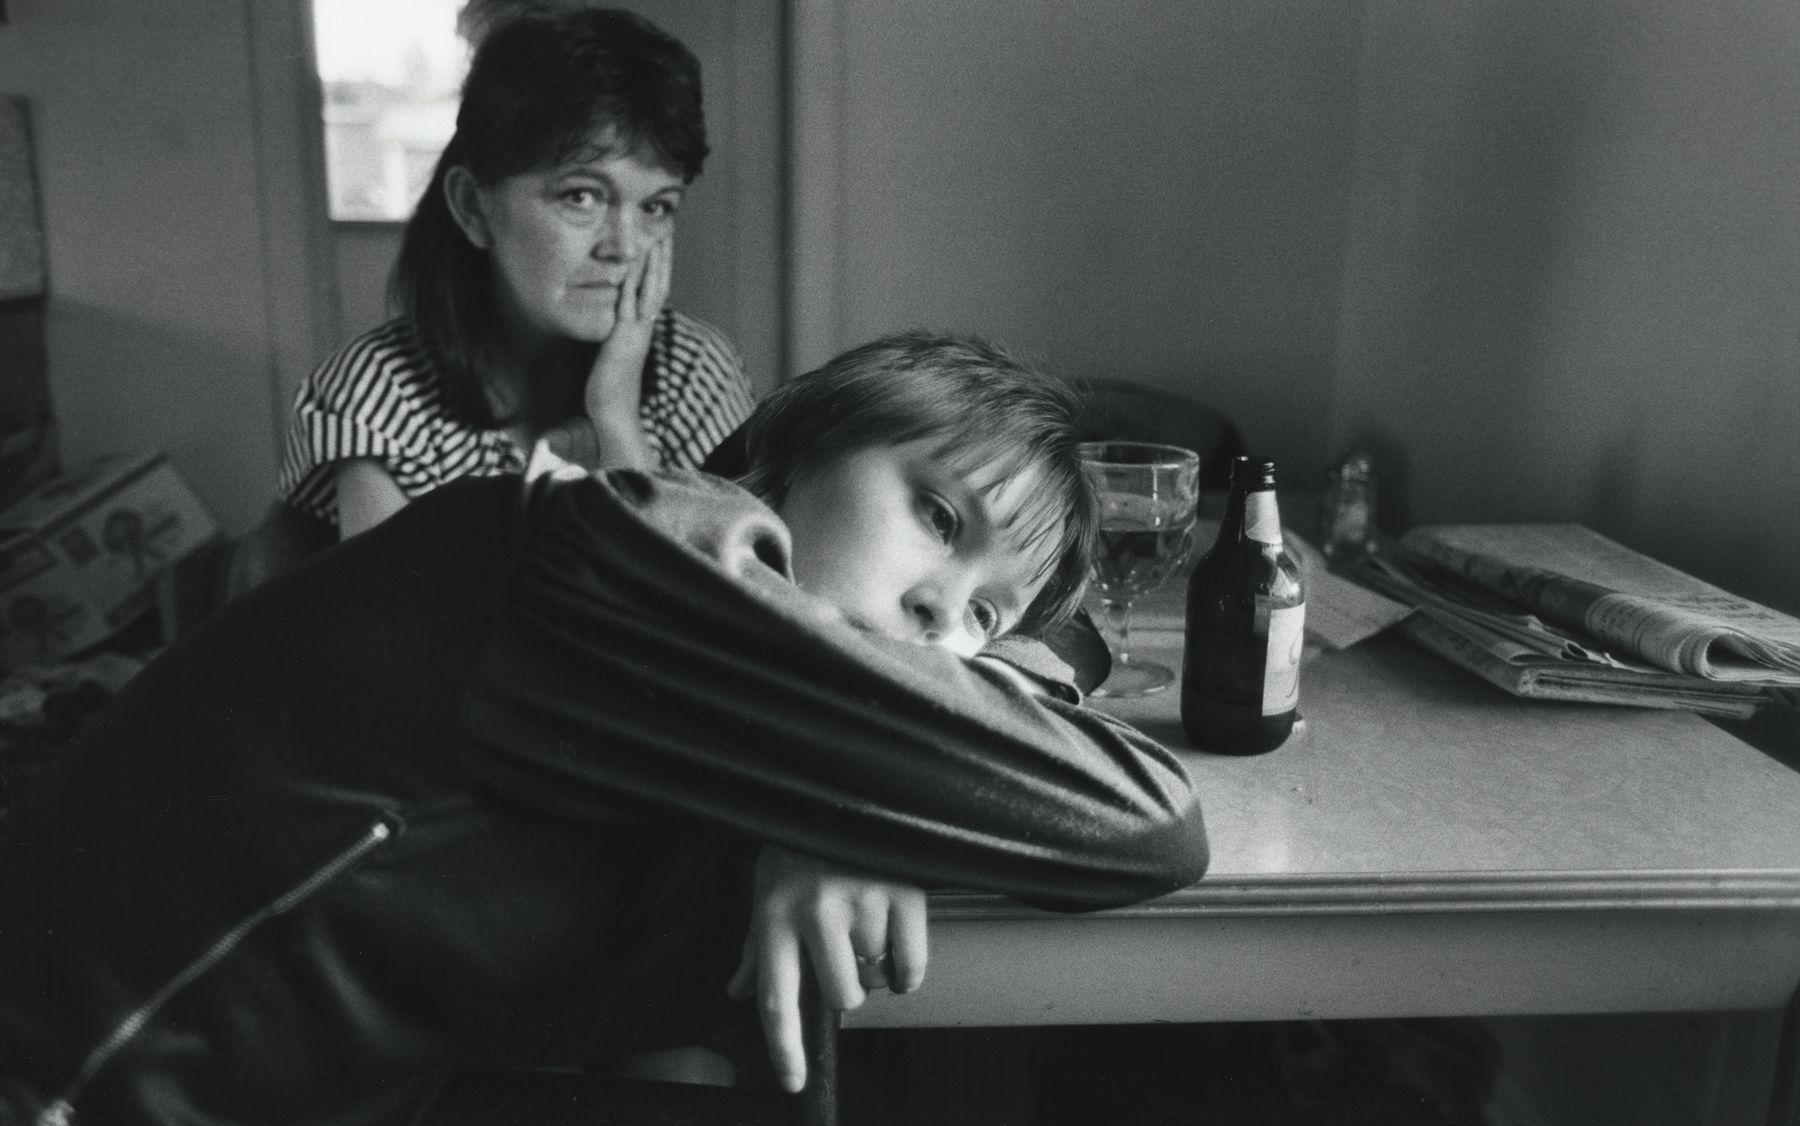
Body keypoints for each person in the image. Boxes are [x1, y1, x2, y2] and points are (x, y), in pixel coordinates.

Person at [0, 333, 1209, 1126]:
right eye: (936, 516)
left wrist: (856, 788)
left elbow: (1058, 676)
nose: (942, 612)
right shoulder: (640, 547)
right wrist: (874, 772)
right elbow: (1153, 823)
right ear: (787, 454)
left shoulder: (724, 697)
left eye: (984, 614)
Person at [276, 0, 753, 544]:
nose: (623, 248)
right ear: (474, 208)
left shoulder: (696, 372)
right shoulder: (379, 394)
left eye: (656, 207)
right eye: (581, 197)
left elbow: (729, 613)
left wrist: (616, 413)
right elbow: (396, 625)